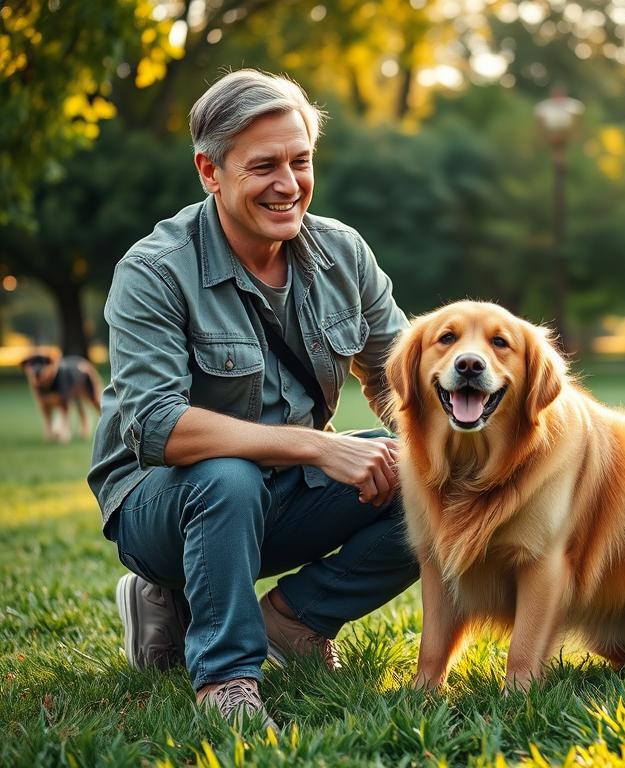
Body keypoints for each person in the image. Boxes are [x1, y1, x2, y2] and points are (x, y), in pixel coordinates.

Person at [87, 70, 419, 730]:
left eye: (300, 161)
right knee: (226, 478)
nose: (289, 184)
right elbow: (156, 428)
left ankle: (292, 623)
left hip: (282, 490)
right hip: (160, 501)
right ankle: (227, 680)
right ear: (209, 171)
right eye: (264, 166)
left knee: (439, 479)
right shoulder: (154, 270)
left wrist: (435, 447)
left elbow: (401, 377)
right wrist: (317, 446)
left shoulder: (342, 254)